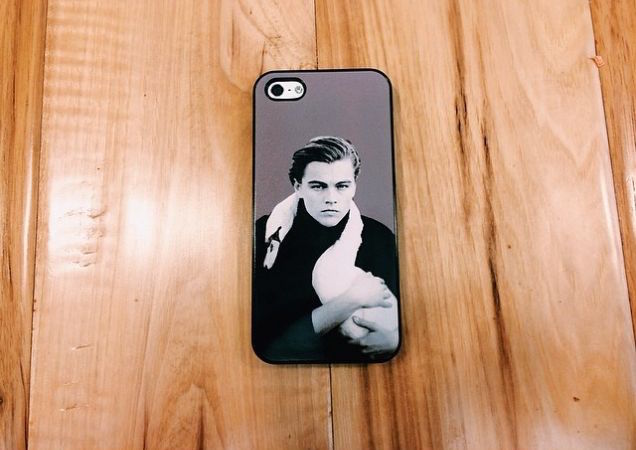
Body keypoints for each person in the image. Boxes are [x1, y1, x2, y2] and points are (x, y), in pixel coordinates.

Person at [253, 136, 399, 363]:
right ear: (298, 187)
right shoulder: (265, 237)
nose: (331, 199)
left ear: (354, 186)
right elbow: (271, 345)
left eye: (342, 186)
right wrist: (352, 299)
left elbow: (406, 316)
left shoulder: (378, 238)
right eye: (318, 186)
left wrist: (393, 341)